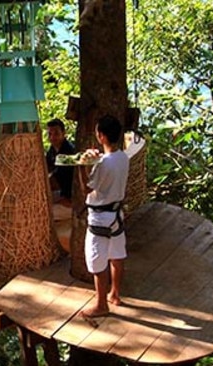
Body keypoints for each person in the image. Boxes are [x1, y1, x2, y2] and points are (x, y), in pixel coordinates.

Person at [78, 114, 129, 318]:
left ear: (101, 136)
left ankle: (101, 304)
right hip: (117, 213)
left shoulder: (103, 164)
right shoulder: (123, 157)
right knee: (117, 254)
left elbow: (87, 189)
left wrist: (83, 166)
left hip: (100, 217)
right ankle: (114, 294)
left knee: (97, 260)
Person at [45, 118, 75, 203]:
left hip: (69, 193)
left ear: (63, 133)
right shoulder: (51, 150)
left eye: (56, 134)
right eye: (50, 134)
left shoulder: (69, 151)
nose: (52, 137)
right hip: (58, 192)